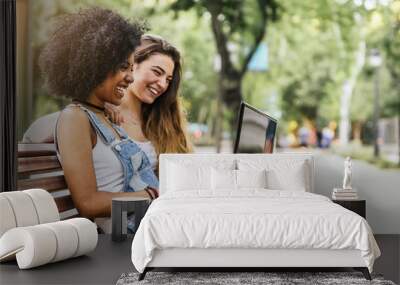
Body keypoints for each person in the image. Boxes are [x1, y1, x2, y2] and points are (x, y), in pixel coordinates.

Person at [38, 8, 159, 225]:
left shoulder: (104, 116)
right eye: (124, 67)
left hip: (144, 224)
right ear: (96, 64)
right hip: (126, 237)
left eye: (132, 68)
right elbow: (88, 203)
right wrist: (152, 196)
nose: (130, 77)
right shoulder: (74, 118)